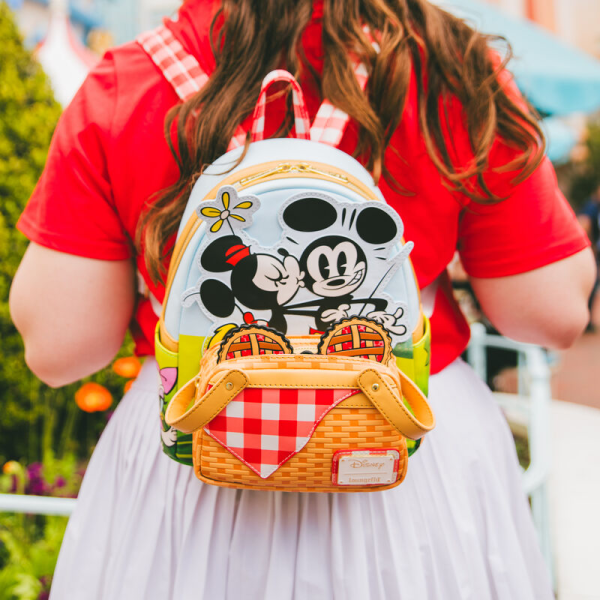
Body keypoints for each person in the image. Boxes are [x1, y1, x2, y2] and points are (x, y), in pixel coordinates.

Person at [9, 0, 596, 598]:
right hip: (400, 435)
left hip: (200, 431)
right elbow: (551, 311)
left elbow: (61, 347)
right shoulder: (447, 67)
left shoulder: (128, 80)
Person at [578, 185, 600, 330]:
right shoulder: (591, 207)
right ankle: (586, 319)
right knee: (591, 284)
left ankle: (587, 319)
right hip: (591, 251)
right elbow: (584, 224)